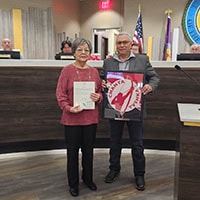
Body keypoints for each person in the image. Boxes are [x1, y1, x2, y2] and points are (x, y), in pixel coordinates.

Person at [101, 32, 159, 191]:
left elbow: (154, 78)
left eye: (125, 42)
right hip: (114, 108)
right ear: (116, 45)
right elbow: (102, 79)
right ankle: (114, 169)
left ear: (130, 43)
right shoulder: (108, 62)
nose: (121, 45)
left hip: (135, 107)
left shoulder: (142, 59)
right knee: (114, 141)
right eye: (119, 43)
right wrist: (103, 83)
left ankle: (139, 174)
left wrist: (150, 86)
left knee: (137, 144)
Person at [56, 38, 103, 197]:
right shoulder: (66, 71)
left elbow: (99, 94)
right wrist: (69, 108)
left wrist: (98, 97)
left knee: (89, 152)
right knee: (72, 153)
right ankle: (73, 183)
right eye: (80, 50)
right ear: (74, 52)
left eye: (87, 50)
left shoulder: (95, 72)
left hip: (90, 119)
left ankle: (88, 179)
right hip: (71, 120)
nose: (83, 53)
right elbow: (60, 95)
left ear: (90, 53)